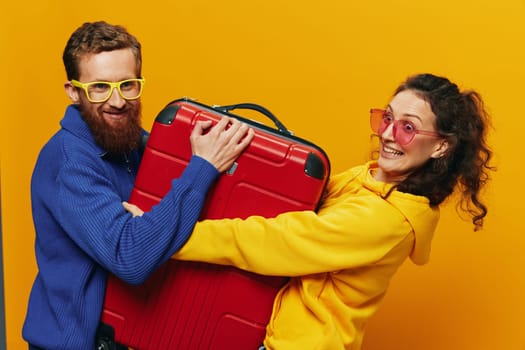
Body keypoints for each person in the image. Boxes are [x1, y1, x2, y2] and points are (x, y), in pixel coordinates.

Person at [126, 73, 494, 349]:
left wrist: (163, 233)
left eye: (408, 128)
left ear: (441, 147)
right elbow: (291, 199)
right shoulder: (368, 179)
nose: (387, 135)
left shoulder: (390, 220)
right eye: (388, 119)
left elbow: (281, 241)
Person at [22, 21, 254, 350]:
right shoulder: (69, 162)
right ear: (74, 92)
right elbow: (131, 257)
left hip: (127, 337)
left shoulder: (132, 144)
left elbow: (160, 224)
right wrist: (202, 168)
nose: (117, 101)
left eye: (128, 85)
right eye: (99, 87)